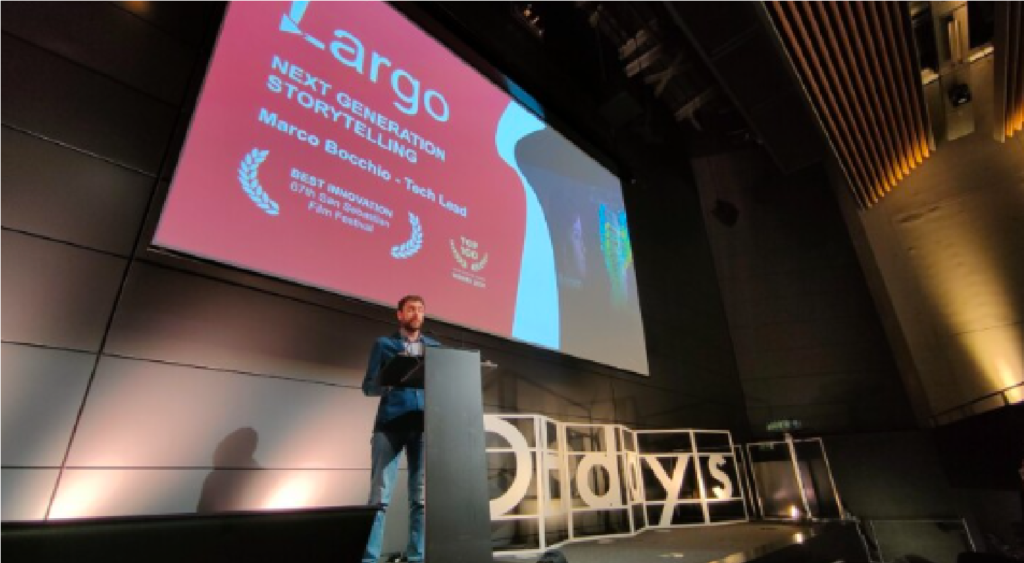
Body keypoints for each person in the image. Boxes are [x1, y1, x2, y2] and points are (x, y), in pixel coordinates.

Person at [361, 295, 440, 563]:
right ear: (400, 314)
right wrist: (389, 381)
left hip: (423, 427)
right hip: (390, 427)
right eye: (411, 309)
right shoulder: (384, 344)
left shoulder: (434, 347)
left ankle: (417, 557)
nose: (416, 314)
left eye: (420, 309)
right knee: (379, 499)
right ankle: (369, 559)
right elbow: (368, 387)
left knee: (421, 500)